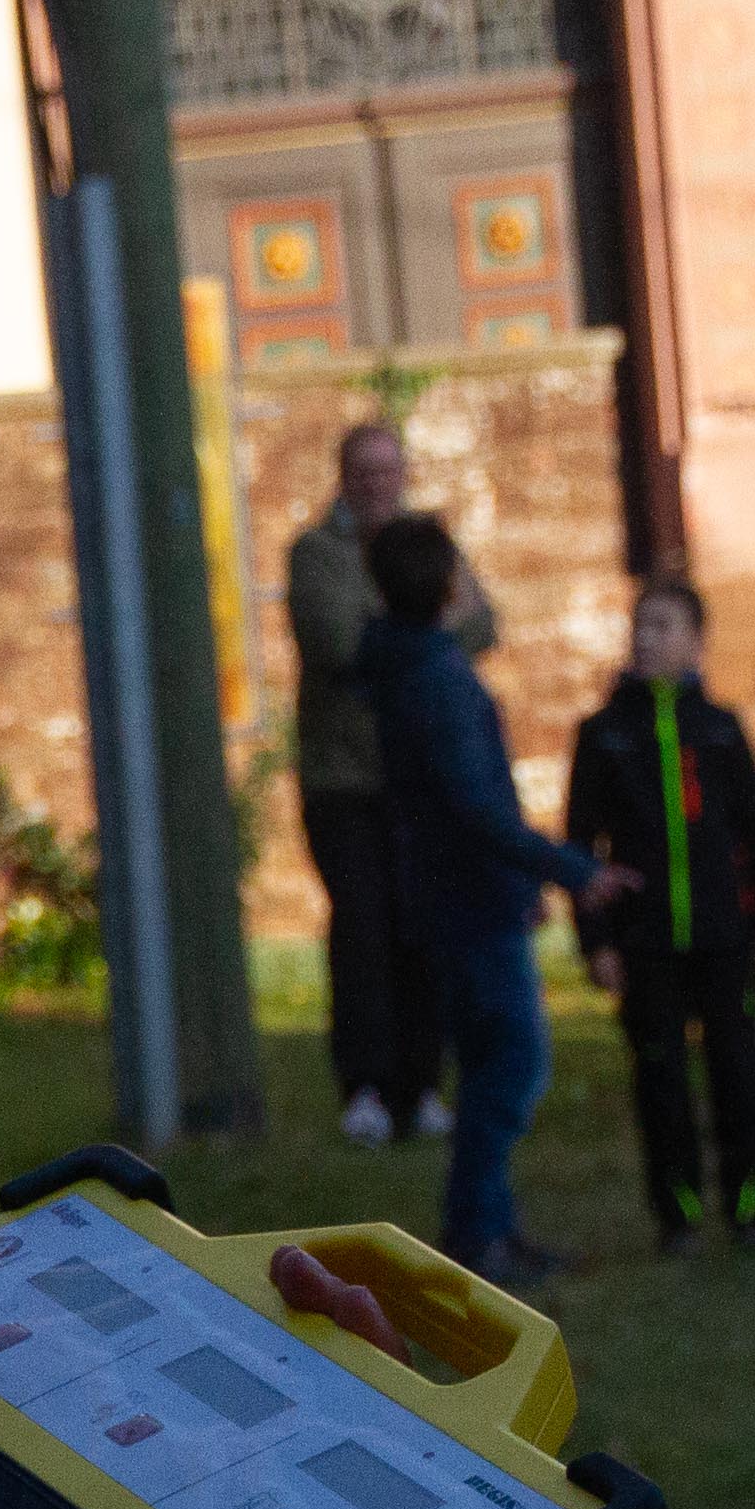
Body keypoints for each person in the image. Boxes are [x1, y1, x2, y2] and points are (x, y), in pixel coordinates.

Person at [362, 511, 632, 1282]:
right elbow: (478, 810)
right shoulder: (438, 681)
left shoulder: (404, 667)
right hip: (469, 902)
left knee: (490, 1061)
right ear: (450, 586)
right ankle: (478, 1231)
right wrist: (571, 871)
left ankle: (491, 1228)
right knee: (511, 1063)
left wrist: (526, 882)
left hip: (458, 894)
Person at [561, 575, 755, 1249]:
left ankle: (751, 1208)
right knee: (660, 1078)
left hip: (724, 937)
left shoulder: (720, 732)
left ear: (696, 641)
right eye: (641, 625)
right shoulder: (604, 735)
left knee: (737, 1073)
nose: (648, 638)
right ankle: (678, 1215)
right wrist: (597, 940)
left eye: (664, 626)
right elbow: (580, 847)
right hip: (646, 940)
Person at [286, 421, 490, 1145]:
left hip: (416, 776)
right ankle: (366, 1086)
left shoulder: (429, 543)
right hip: (344, 780)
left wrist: (403, 637)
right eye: (364, 470)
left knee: (421, 927)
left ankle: (422, 1084)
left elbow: (485, 622)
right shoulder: (316, 554)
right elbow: (340, 645)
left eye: (388, 468)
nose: (378, 482)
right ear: (343, 477)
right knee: (364, 929)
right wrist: (427, 633)